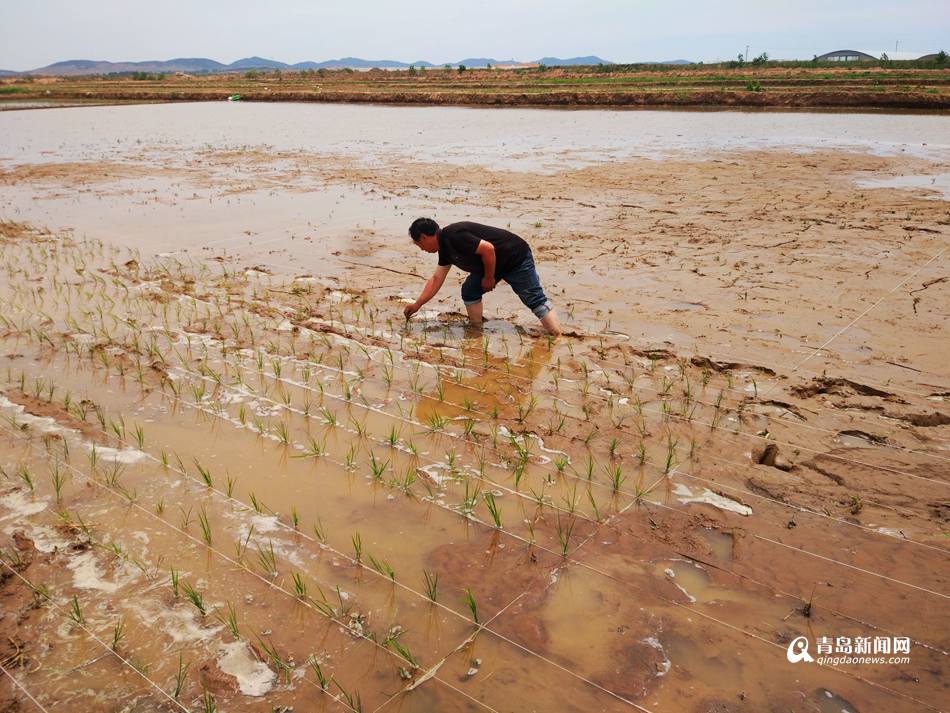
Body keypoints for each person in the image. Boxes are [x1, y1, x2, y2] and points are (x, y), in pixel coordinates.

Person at [403, 218, 561, 336]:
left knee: (534, 299)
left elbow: (488, 249)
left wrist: (489, 278)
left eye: (419, 245)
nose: (422, 249)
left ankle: (557, 337)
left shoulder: (453, 235)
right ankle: (476, 329)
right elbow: (436, 279)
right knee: (470, 291)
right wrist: (417, 305)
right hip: (492, 264)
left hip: (514, 258)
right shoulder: (444, 249)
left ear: (424, 237)